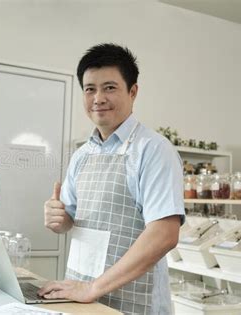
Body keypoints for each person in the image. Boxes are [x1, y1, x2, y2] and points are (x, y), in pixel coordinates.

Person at [39, 43, 185, 314]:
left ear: (133, 92)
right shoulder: (82, 154)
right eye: (90, 89)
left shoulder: (153, 149)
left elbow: (164, 234)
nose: (98, 98)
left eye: (109, 87)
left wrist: (92, 288)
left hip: (133, 301)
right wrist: (58, 218)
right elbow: (71, 220)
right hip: (83, 296)